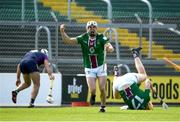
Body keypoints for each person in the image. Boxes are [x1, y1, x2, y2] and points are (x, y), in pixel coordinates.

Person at [60, 20, 114, 112]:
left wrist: (109, 49)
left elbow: (109, 46)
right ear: (87, 29)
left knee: (102, 88)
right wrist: (62, 32)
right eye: (89, 27)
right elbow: (68, 41)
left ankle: (103, 106)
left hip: (101, 66)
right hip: (89, 67)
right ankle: (93, 95)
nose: (92, 29)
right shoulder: (83, 38)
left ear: (96, 28)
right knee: (92, 89)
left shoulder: (101, 37)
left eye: (94, 27)